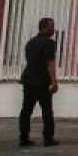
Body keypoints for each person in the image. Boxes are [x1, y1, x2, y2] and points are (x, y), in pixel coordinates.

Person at [18, 17, 59, 147]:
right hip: (42, 81)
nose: (53, 29)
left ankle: (24, 137)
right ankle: (48, 137)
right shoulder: (49, 43)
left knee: (26, 110)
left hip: (28, 79)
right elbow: (50, 62)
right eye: (51, 26)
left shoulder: (30, 43)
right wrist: (54, 81)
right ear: (45, 28)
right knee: (46, 110)